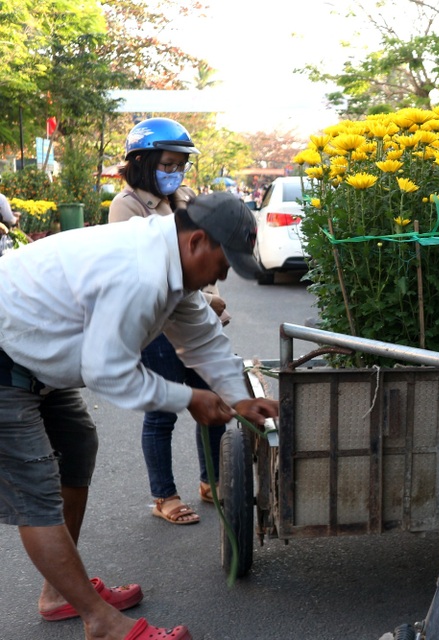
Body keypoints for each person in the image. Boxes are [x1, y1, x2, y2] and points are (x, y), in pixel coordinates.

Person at [0, 191, 278, 639]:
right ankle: (101, 622)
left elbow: (203, 340)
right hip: (6, 354)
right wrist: (188, 398)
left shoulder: (172, 267)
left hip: (35, 358)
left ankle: (58, 593)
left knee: (77, 448)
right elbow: (108, 373)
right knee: (36, 492)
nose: (223, 275)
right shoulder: (139, 273)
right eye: (224, 264)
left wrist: (238, 398)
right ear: (196, 242)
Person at [109, 117, 227, 525]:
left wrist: (212, 299)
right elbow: (150, 272)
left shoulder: (186, 200)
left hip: (192, 311)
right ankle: (165, 496)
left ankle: (211, 480)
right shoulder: (127, 205)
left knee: (213, 401)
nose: (174, 173)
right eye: (168, 164)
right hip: (157, 323)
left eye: (179, 165)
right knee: (162, 409)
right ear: (143, 161)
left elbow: (200, 256)